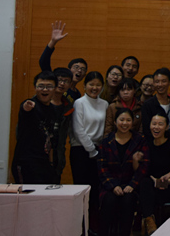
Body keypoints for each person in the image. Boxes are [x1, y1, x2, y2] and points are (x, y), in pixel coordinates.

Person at [97, 107, 149, 236]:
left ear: (132, 122)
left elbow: (144, 167)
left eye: (128, 120)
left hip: (131, 186)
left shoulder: (140, 140)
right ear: (115, 122)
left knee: (128, 201)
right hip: (110, 185)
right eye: (121, 120)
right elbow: (102, 168)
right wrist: (113, 186)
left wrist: (132, 185)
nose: (125, 123)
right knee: (109, 200)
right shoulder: (106, 141)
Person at [71, 71, 109, 231]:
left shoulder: (105, 104)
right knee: (82, 190)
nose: (94, 88)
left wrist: (98, 151)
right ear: (85, 85)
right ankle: (78, 227)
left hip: (98, 151)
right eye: (91, 84)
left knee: (95, 192)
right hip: (81, 151)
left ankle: (93, 227)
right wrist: (92, 151)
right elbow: (78, 130)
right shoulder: (79, 103)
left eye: (98, 85)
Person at [139, 112, 170, 236]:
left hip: (169, 187)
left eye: (160, 124)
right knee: (145, 184)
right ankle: (150, 222)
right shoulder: (147, 145)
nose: (156, 127)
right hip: (151, 186)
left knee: (150, 196)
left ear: (167, 127)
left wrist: (167, 181)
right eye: (154, 124)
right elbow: (144, 171)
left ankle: (151, 224)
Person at [12, 70, 59, 184]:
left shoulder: (53, 110)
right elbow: (25, 109)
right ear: (35, 87)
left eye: (49, 86)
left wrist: (51, 163)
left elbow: (51, 138)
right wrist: (26, 107)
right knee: (28, 194)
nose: (45, 90)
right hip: (26, 161)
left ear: (55, 89)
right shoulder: (30, 105)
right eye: (41, 86)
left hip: (44, 163)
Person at [38, 20, 87, 101]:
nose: (79, 70)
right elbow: (43, 62)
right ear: (69, 69)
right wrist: (53, 42)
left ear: (84, 75)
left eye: (83, 69)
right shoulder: (55, 81)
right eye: (76, 67)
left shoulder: (77, 94)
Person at [141, 67, 170, 139]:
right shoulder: (148, 104)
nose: (160, 84)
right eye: (157, 82)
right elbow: (146, 130)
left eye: (164, 81)